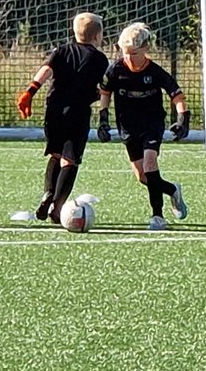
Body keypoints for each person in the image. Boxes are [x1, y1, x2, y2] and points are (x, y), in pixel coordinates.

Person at [16, 12, 109, 223]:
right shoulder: (99, 59)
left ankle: (47, 193)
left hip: (54, 109)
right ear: (97, 36)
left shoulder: (62, 50)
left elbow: (46, 70)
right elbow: (103, 87)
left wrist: (30, 92)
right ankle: (57, 207)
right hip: (78, 113)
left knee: (56, 155)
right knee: (70, 160)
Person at [97, 22, 191, 231]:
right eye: (126, 53)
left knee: (150, 165)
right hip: (128, 126)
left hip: (152, 123)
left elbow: (177, 95)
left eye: (135, 53)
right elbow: (105, 93)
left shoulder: (155, 72)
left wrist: (183, 117)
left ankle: (157, 216)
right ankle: (172, 189)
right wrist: (103, 119)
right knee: (142, 177)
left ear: (146, 49)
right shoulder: (115, 70)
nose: (129, 58)